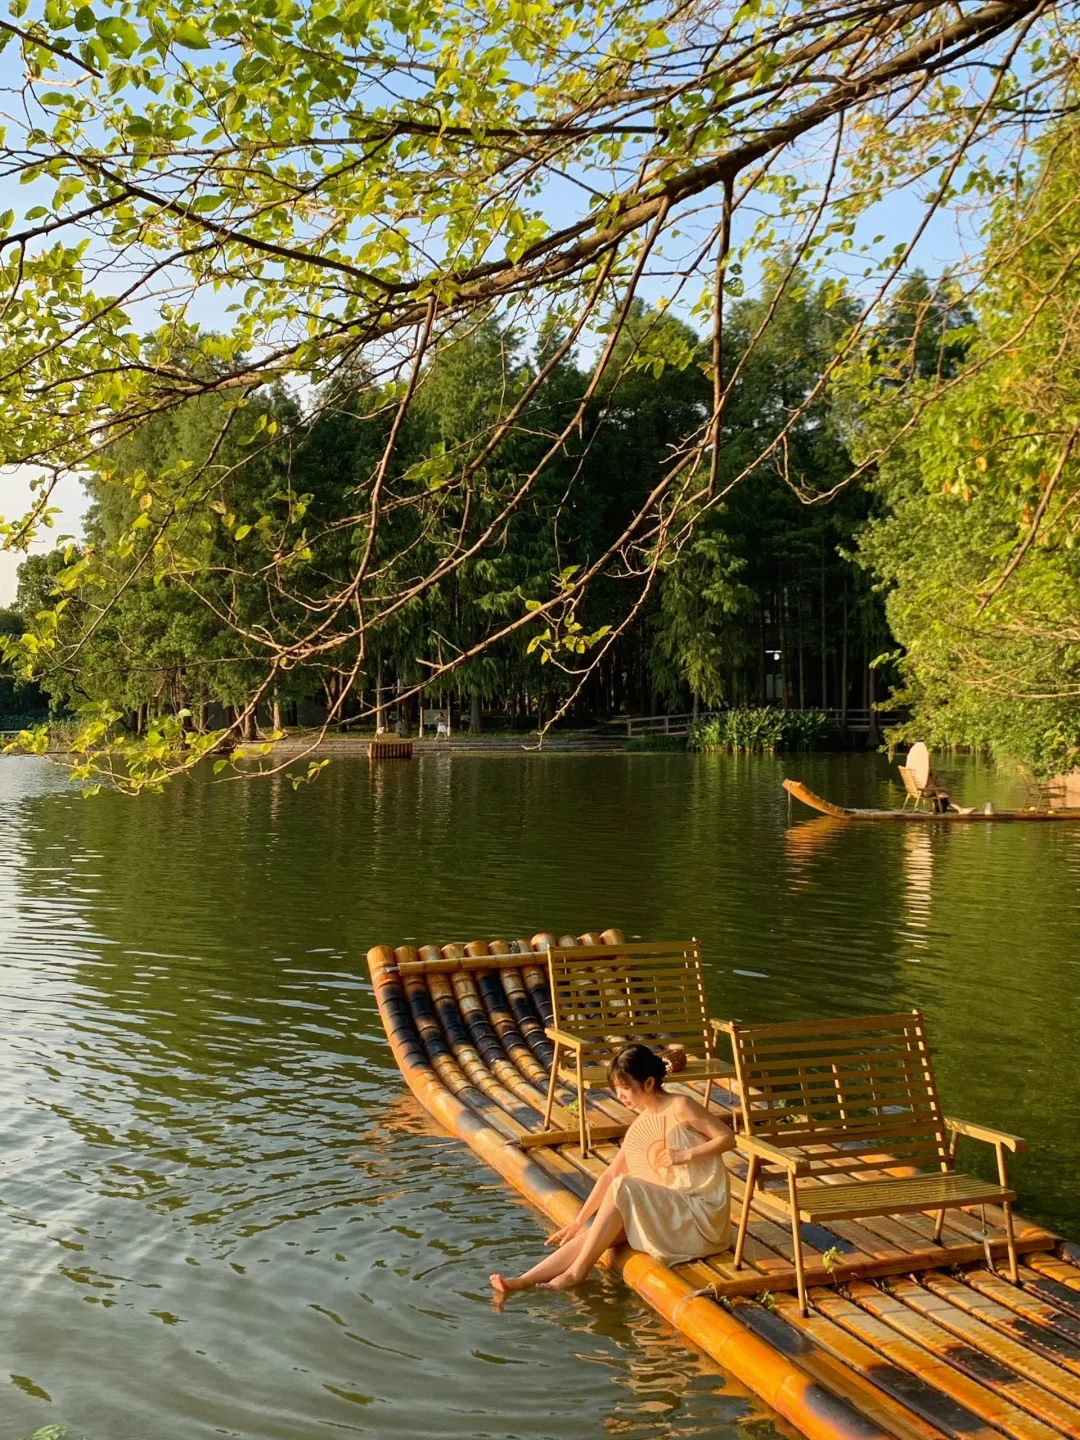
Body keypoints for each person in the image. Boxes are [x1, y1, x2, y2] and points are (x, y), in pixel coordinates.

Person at [490, 1044, 735, 1296]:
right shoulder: (642, 1124)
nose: (619, 1095)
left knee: (623, 1186)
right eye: (616, 1088)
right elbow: (609, 1174)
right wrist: (579, 1221)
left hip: (701, 1215)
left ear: (648, 1083)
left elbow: (728, 1138)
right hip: (675, 1212)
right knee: (594, 1233)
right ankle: (523, 1280)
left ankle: (577, 1273)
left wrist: (685, 1155)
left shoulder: (681, 1106)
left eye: (624, 1088)